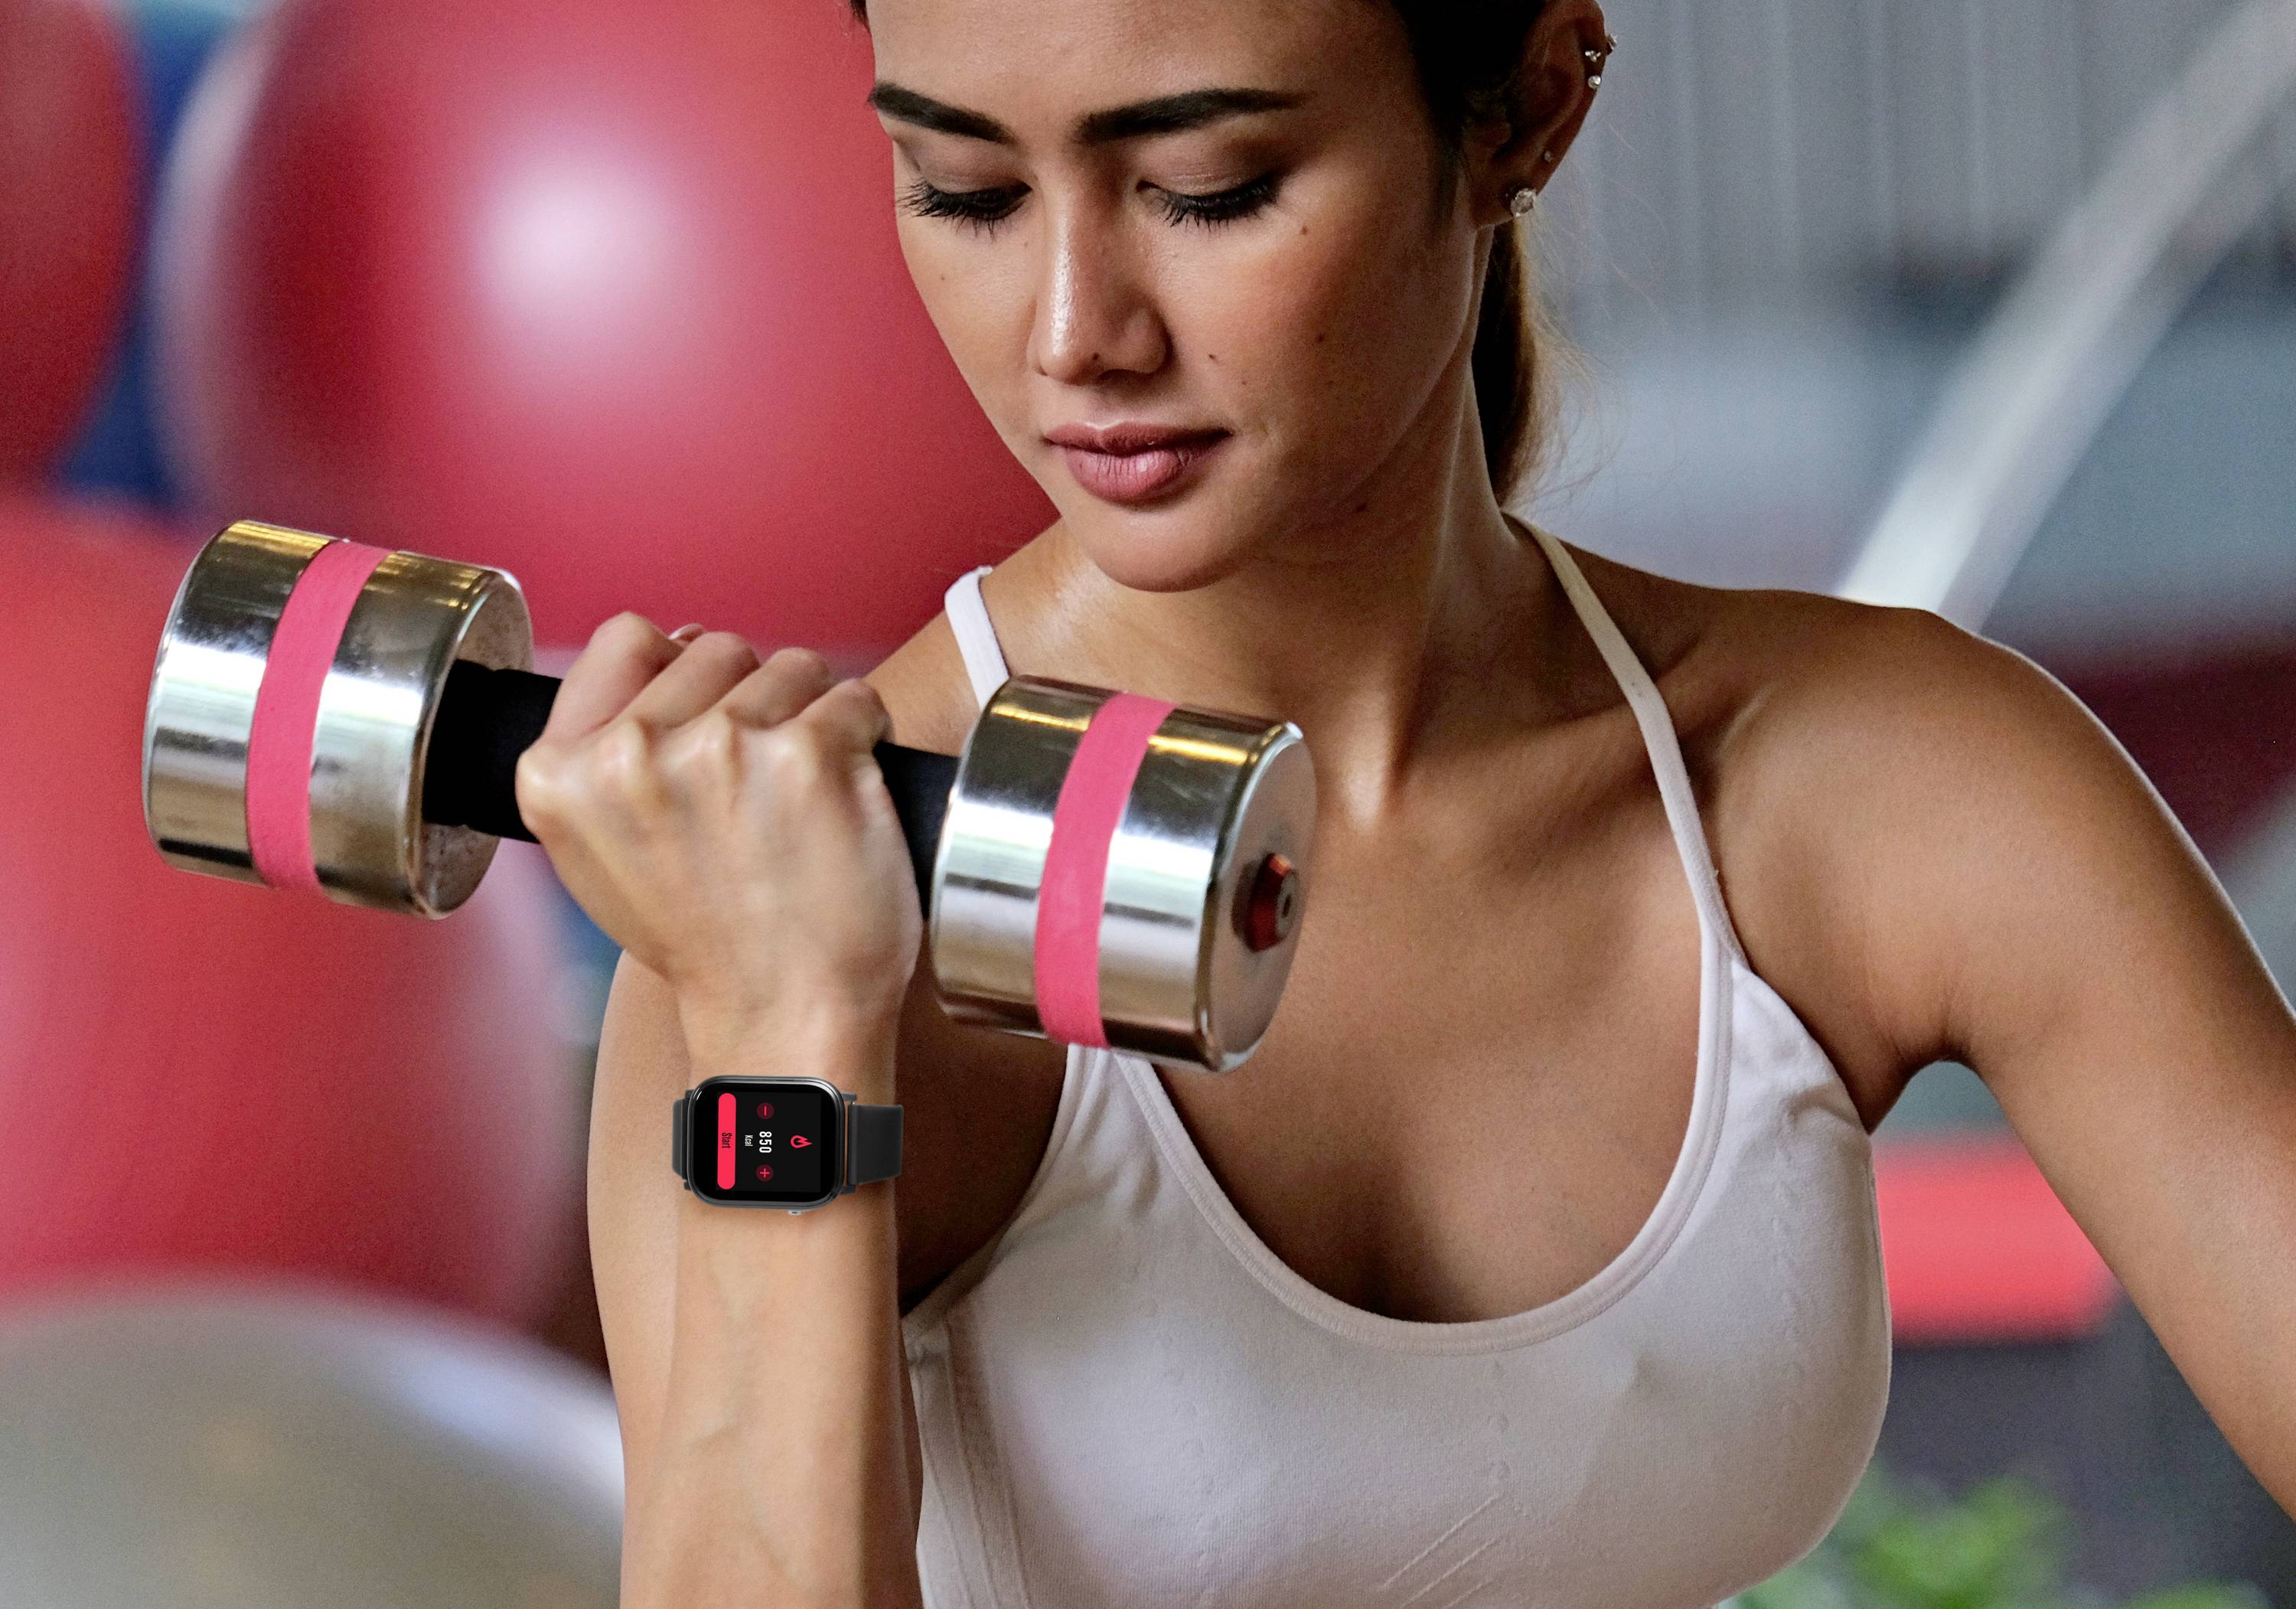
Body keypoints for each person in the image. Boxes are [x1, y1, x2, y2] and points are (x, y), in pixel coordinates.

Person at [514, 2, 2296, 1604]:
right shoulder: (795, 905)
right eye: (963, 191)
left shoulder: (1867, 778)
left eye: (1207, 188)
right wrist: (784, 1032)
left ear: (1527, 103)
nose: (1075, 334)